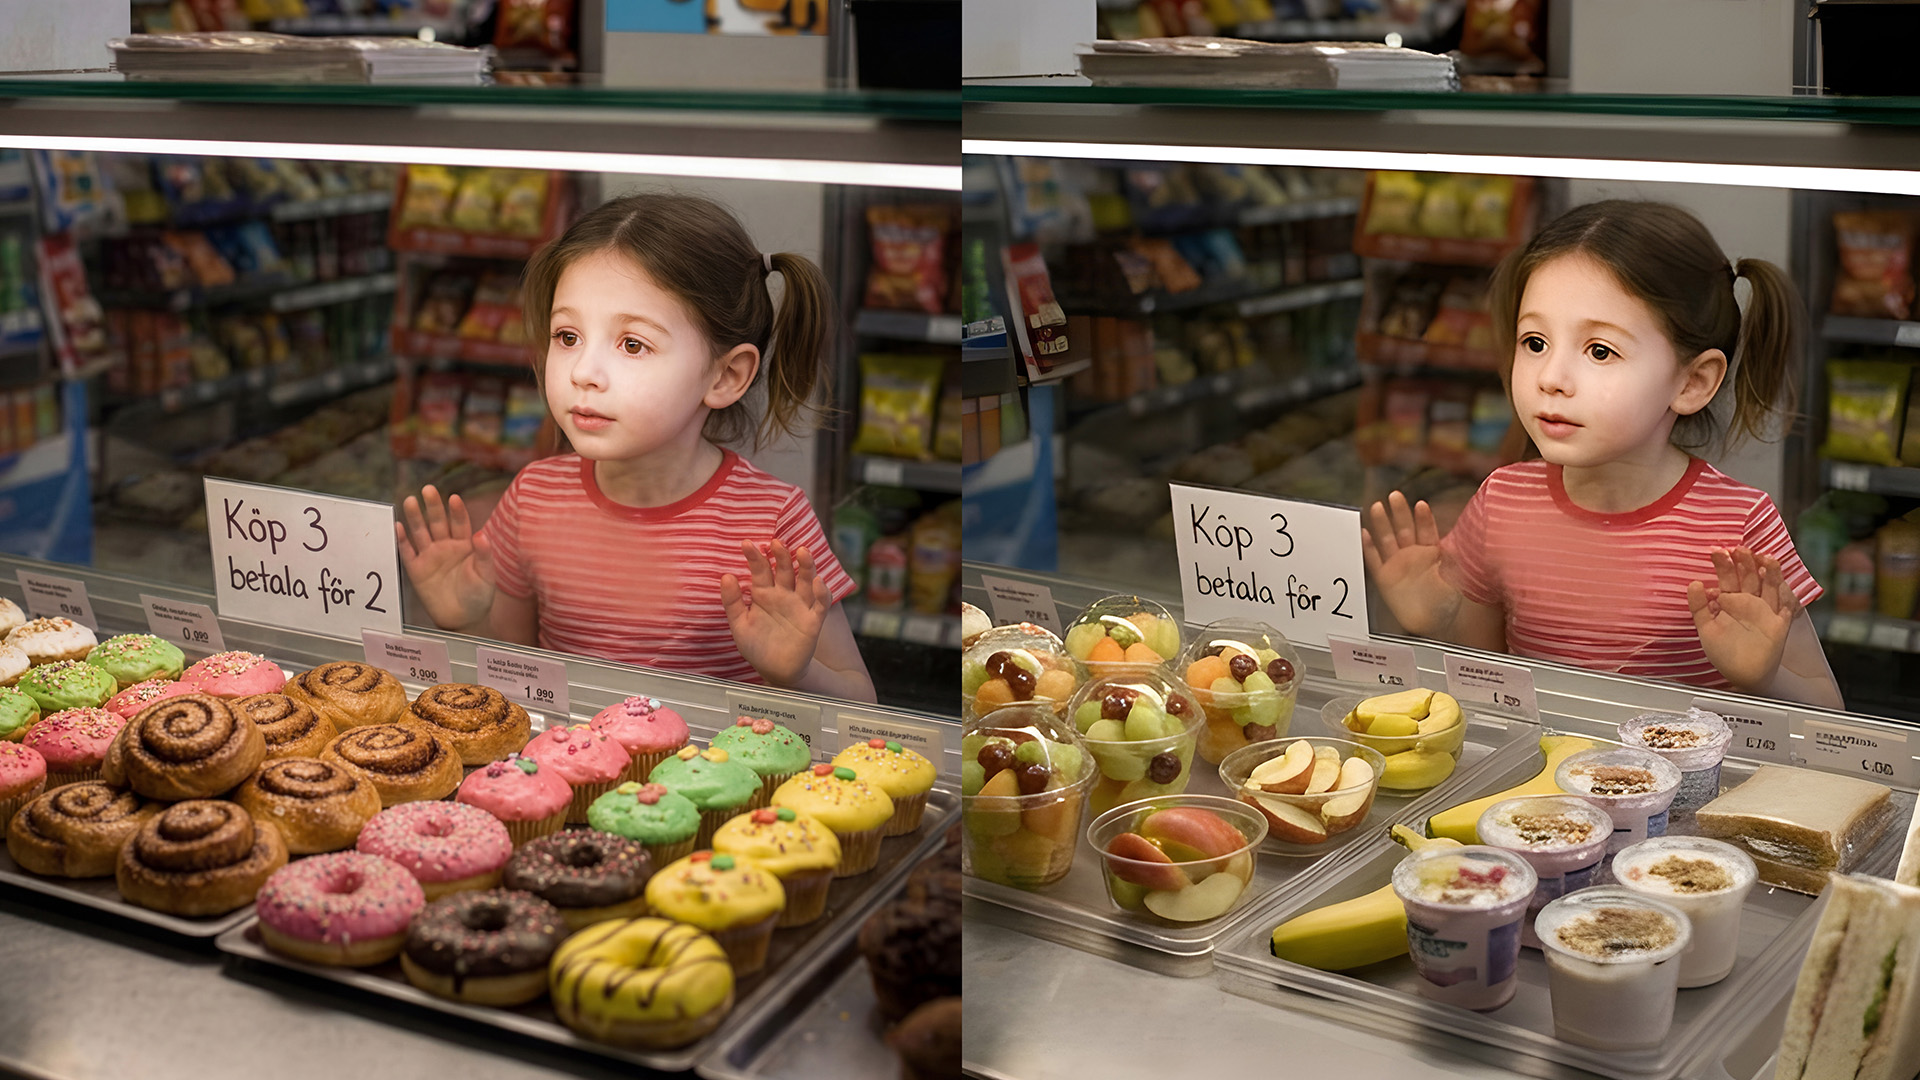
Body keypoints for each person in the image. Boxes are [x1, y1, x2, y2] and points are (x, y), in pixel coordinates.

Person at [396, 191, 875, 702]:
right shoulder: (533, 497)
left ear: (726, 375)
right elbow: (521, 684)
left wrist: (795, 674)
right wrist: (466, 624)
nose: (583, 372)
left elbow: (860, 703)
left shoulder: (773, 522)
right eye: (567, 336)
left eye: (632, 344)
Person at [1363, 200, 1843, 708]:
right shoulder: (1502, 501)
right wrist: (1441, 619)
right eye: (1535, 342)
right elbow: (1496, 682)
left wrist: (1764, 678)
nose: (1550, 378)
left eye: (1599, 351)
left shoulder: (1738, 525)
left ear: (1692, 381)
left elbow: (1827, 711)